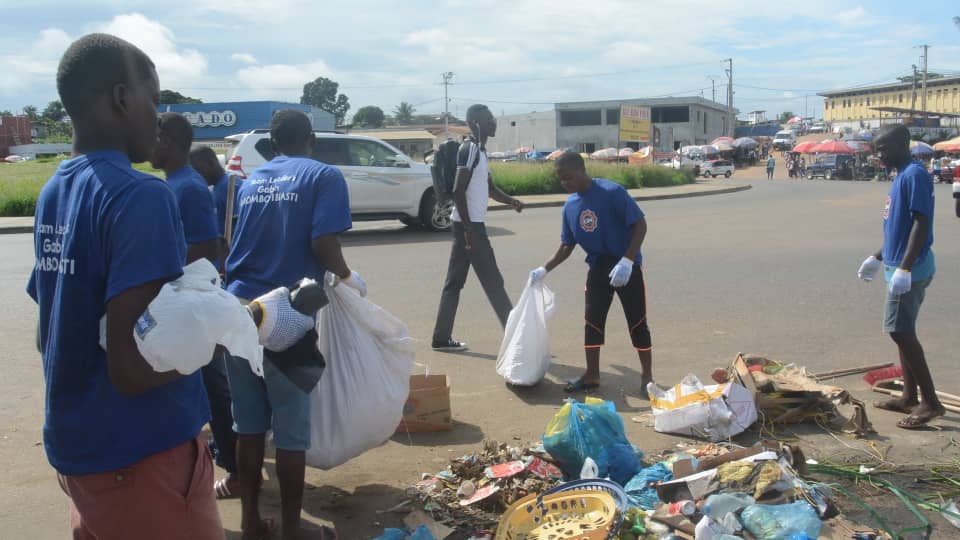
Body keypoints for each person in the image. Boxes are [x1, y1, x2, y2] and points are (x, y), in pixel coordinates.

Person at [26, 33, 223, 539]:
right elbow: (132, 368)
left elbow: (49, 327)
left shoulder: (56, 190)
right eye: (153, 100)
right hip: (142, 456)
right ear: (121, 98)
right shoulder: (140, 196)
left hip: (82, 453)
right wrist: (219, 333)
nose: (158, 118)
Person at [225, 109, 362, 540]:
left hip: (238, 311)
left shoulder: (252, 181)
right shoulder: (323, 175)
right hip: (285, 315)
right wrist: (347, 276)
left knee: (248, 426)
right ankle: (290, 529)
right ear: (312, 140)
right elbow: (323, 242)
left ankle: (250, 522)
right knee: (290, 430)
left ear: (272, 145)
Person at [529, 152, 653, 395]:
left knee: (637, 322)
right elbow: (567, 245)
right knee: (592, 322)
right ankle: (592, 374)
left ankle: (647, 376)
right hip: (598, 268)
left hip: (626, 266)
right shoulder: (570, 206)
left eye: (568, 177)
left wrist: (627, 260)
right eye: (560, 179)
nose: (565, 183)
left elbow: (640, 225)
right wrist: (544, 269)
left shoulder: (612, 192)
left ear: (581, 170)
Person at [857, 124, 943, 429]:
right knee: (903, 330)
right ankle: (909, 396)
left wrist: (905, 267)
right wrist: (878, 257)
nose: (878, 155)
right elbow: (899, 229)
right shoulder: (901, 175)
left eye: (883, 149)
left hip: (911, 268)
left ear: (902, 146)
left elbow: (921, 222)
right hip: (898, 265)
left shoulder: (914, 174)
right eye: (876, 149)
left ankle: (930, 403)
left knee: (901, 332)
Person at [431, 103, 524, 351]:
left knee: (454, 284)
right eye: (488, 119)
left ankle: (441, 338)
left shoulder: (480, 152)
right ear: (474, 123)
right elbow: (458, 190)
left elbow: (490, 189)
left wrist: (511, 201)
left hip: (465, 225)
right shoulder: (470, 149)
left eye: (493, 118)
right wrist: (469, 230)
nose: (493, 122)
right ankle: (517, 339)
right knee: (493, 281)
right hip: (469, 226)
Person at [190, 145, 243, 243]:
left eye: (198, 170)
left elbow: (241, 225)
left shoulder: (230, 185)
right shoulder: (216, 187)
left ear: (211, 163)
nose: (197, 176)